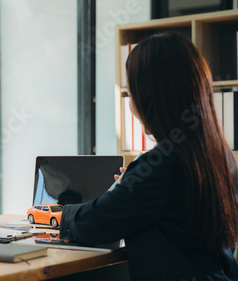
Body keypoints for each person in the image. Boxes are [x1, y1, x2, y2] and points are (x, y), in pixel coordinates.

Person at [60, 32, 238, 280]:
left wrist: (60, 215)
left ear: (150, 99)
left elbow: (95, 224)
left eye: (132, 94)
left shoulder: (162, 165)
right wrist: (132, 186)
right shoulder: (222, 157)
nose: (132, 104)